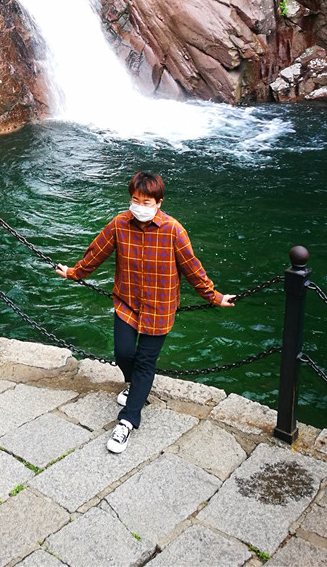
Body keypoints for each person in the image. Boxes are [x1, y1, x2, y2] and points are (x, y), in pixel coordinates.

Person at [55, 171, 236, 454]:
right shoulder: (119, 224)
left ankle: (127, 421)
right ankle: (135, 386)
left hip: (160, 309)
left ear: (158, 202)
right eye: (135, 200)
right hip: (126, 303)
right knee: (123, 353)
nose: (139, 205)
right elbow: (97, 252)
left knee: (145, 362)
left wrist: (214, 296)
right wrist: (75, 272)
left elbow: (192, 268)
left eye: (146, 201)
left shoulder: (174, 230)